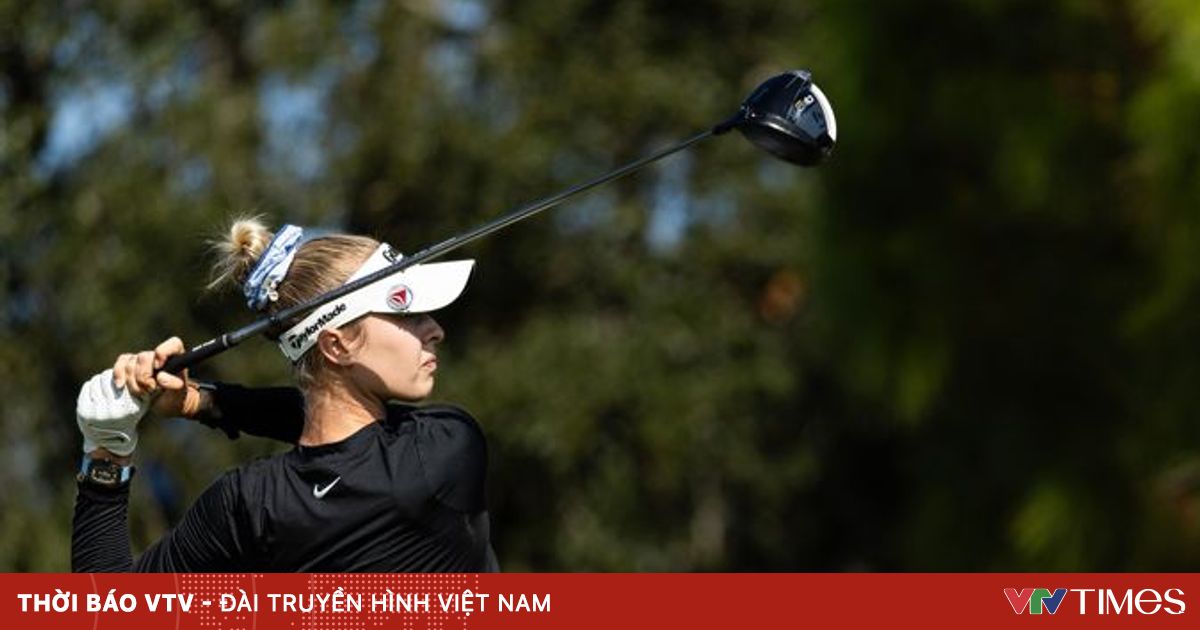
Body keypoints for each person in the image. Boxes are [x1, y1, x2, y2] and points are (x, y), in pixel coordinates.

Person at [71, 218, 498, 572]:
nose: (434, 329)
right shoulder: (447, 446)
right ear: (336, 346)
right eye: (407, 312)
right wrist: (208, 402)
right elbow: (353, 452)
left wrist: (106, 450)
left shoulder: (248, 503)